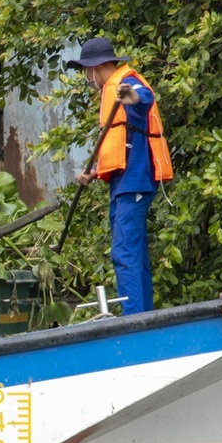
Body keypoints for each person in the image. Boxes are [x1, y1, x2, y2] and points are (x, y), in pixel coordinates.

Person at [68, 37, 173, 313]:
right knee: (133, 253)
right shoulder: (110, 90)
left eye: (84, 70)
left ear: (96, 66)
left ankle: (134, 320)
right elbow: (120, 143)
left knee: (125, 251)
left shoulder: (126, 82)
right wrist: (94, 172)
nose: (85, 76)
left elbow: (143, 99)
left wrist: (134, 97)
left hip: (135, 180)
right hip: (122, 182)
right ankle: (143, 316)